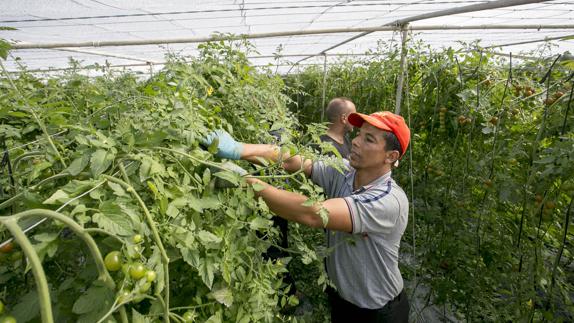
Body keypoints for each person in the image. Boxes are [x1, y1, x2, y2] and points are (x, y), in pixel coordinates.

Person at [203, 111, 411, 323]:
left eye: (369, 139)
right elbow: (294, 160)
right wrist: (239, 149)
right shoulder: (345, 172)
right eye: (359, 134)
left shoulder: (389, 201)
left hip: (379, 312)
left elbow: (313, 214)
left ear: (391, 156)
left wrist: (243, 180)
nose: (356, 141)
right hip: (343, 300)